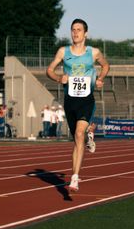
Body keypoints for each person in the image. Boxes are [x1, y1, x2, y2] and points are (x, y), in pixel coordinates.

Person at [46, 18, 110, 192]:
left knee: (79, 134)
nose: (75, 33)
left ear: (86, 33)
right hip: (70, 101)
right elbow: (49, 69)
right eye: (73, 29)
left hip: (86, 100)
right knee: (77, 138)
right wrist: (59, 78)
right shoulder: (63, 51)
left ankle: (74, 177)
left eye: (79, 30)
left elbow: (105, 65)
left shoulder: (93, 52)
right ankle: (90, 134)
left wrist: (100, 79)